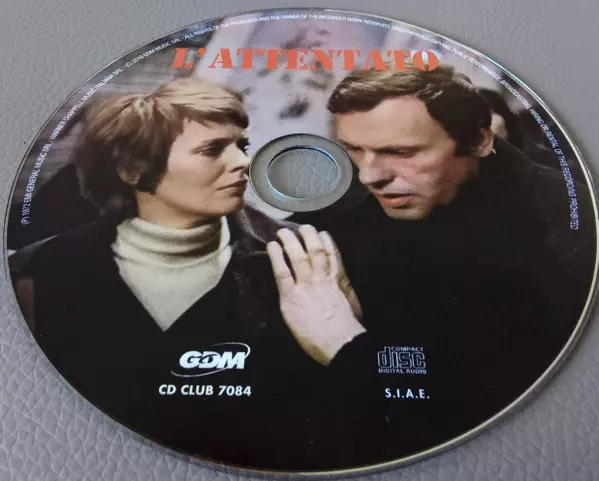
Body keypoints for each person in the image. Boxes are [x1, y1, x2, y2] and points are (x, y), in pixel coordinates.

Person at [7, 78, 377, 471]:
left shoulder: (302, 257)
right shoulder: (39, 270)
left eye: (241, 146)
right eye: (212, 149)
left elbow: (347, 411)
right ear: (133, 170)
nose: (243, 163)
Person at [282, 61, 596, 455]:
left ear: (479, 140)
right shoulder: (348, 202)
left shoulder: (571, 233)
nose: (368, 175)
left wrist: (344, 346)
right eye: (353, 150)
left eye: (401, 152)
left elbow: (508, 412)